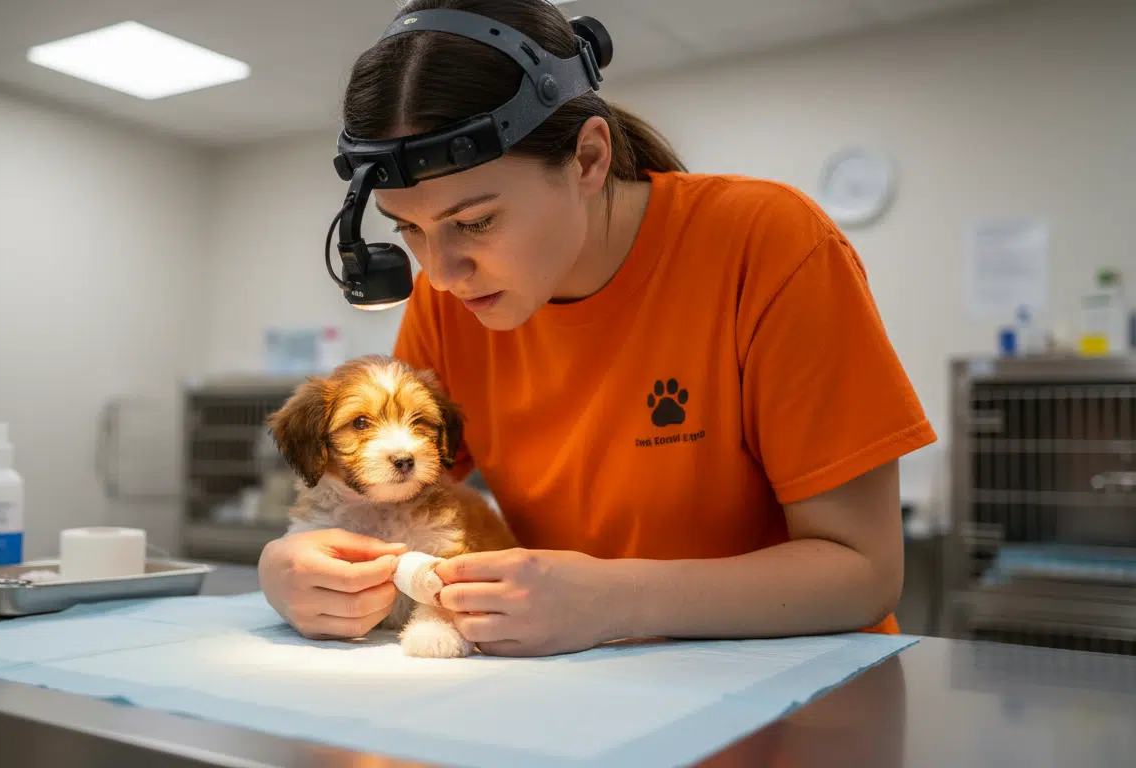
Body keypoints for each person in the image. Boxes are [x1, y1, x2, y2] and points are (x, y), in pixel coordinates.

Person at [258, 0, 936, 657]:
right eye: (410, 229)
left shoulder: (768, 244)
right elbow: (406, 492)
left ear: (588, 159)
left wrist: (614, 599)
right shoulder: (451, 299)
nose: (439, 271)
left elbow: (863, 572)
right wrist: (291, 567)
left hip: (796, 696)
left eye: (476, 222)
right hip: (581, 695)